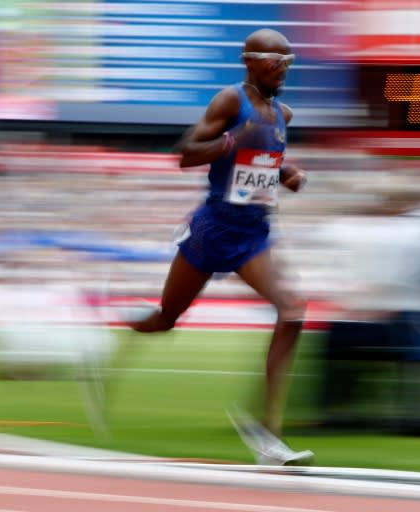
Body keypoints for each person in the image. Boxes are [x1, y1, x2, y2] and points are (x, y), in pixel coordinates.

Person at [127, 28, 312, 465]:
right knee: (164, 319)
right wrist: (232, 139)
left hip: (253, 235)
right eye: (274, 60)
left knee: (292, 311)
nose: (282, 68)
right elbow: (186, 153)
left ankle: (268, 435)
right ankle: (116, 319)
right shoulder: (230, 100)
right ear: (249, 60)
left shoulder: (283, 112)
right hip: (213, 230)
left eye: (288, 61)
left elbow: (264, 160)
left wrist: (287, 175)